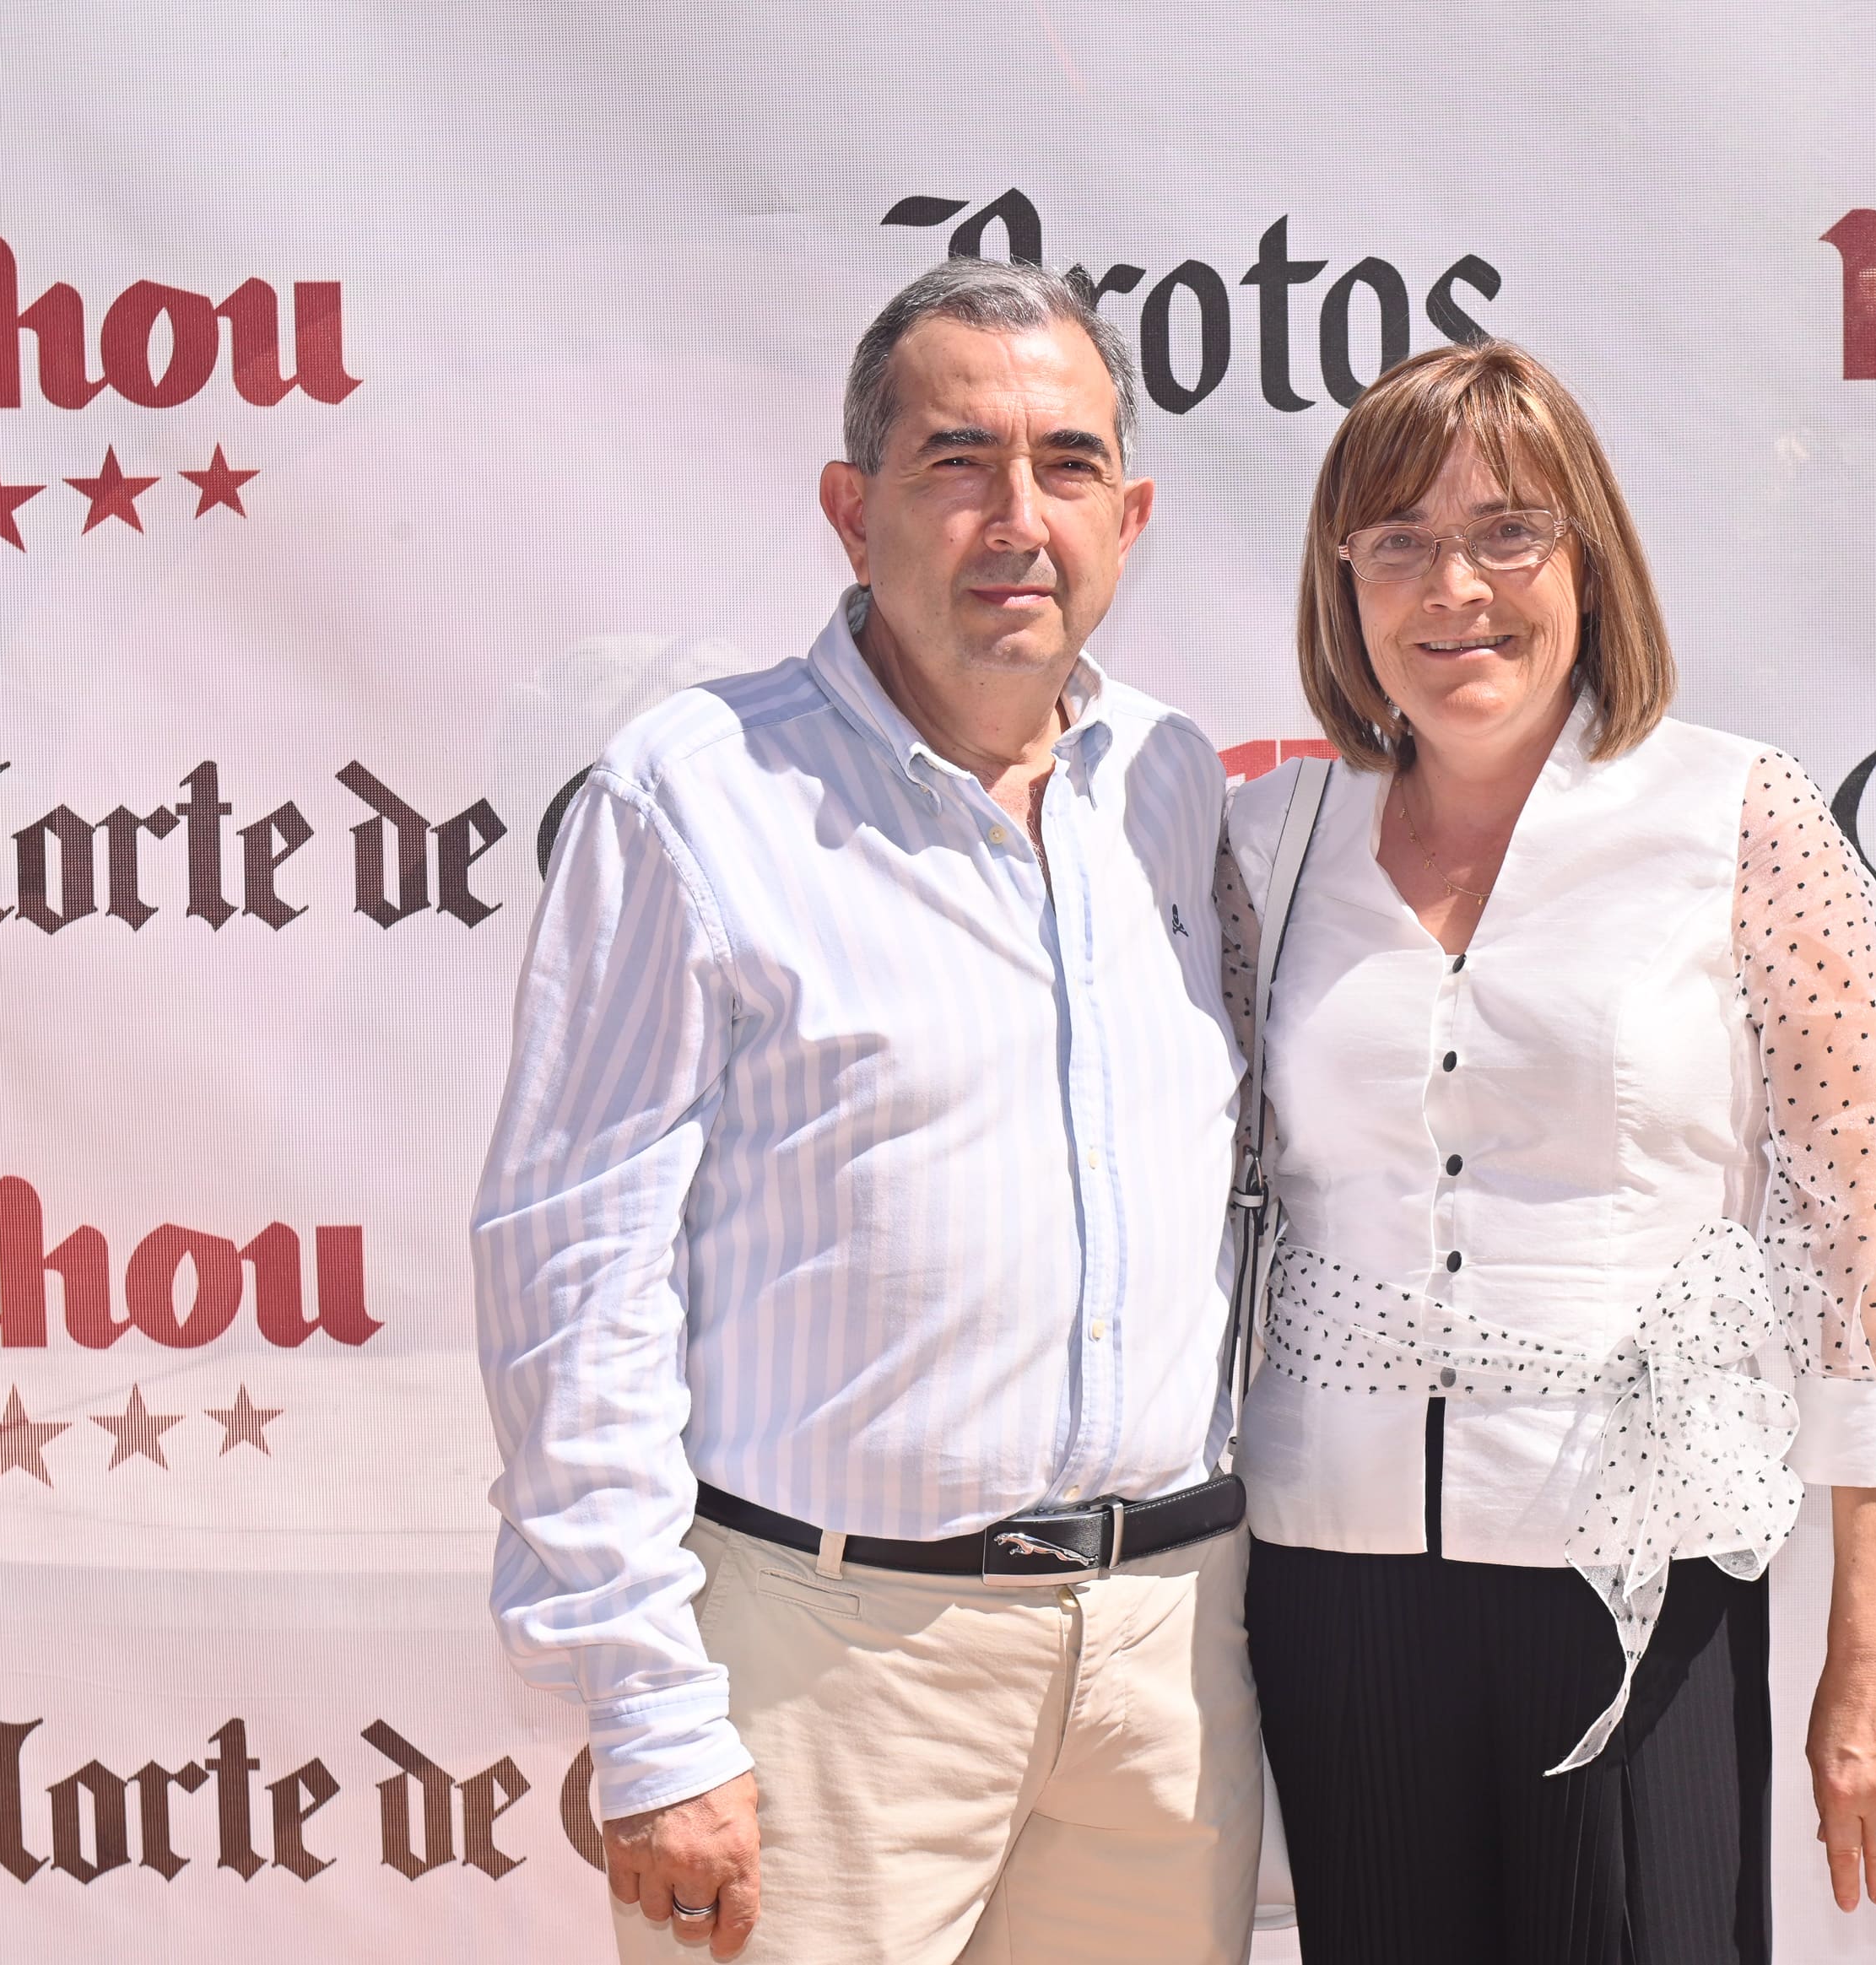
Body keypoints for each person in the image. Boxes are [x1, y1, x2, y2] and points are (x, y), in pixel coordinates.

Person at [473, 259, 1260, 1964]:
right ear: (852, 508)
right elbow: (572, 1275)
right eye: (955, 461)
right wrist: (648, 1704)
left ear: (1126, 515)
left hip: (1161, 1663)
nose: (1016, 518)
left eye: (1065, 467)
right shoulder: (694, 799)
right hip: (825, 1664)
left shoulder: (1177, 787)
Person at [1226, 338, 1876, 1962]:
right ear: (1341, 581)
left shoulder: (1740, 819)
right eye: (1400, 542)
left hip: (1636, 1578)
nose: (1457, 587)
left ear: (1591, 558)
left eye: (1510, 530)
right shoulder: (1268, 842)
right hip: (1332, 1575)